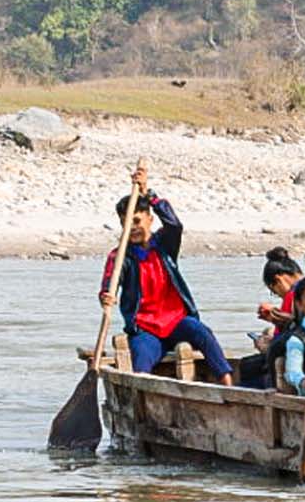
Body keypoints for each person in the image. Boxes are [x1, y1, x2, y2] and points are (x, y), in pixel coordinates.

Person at [97, 164, 235, 385]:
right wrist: (106, 295)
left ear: (149, 220)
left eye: (136, 222)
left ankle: (228, 382)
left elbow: (174, 224)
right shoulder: (120, 256)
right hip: (146, 328)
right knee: (142, 359)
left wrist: (149, 194)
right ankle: (143, 399)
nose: (132, 228)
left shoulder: (164, 244)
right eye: (126, 224)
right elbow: (108, 284)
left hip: (177, 321)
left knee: (202, 333)